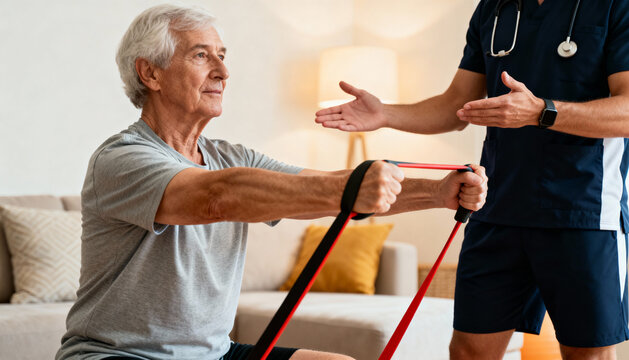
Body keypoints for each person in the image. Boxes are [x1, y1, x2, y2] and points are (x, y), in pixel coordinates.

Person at [55, 4, 487, 360]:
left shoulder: (231, 156)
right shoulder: (122, 159)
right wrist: (350, 188)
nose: (224, 71)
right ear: (150, 74)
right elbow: (216, 197)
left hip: (214, 354)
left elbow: (328, 185)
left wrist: (436, 193)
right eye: (202, 55)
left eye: (223, 55)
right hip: (120, 355)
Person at [315, 0, 629, 359]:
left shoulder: (614, 7)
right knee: (468, 352)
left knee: (586, 354)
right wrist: (386, 113)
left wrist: (542, 111)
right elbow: (458, 105)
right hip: (495, 210)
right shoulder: (494, 9)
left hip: (583, 212)